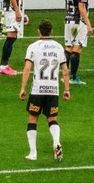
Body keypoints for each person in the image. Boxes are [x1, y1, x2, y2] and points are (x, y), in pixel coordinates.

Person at [20, 19, 70, 162]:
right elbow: (65, 69)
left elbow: (27, 68)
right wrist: (67, 89)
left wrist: (23, 88)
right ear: (51, 31)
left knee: (32, 119)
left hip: (37, 90)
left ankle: (33, 153)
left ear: (38, 31)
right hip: (53, 90)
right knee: (52, 119)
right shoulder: (59, 47)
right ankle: (56, 141)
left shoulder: (33, 47)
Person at [64, 0, 92, 85]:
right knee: (77, 49)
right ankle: (73, 78)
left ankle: (65, 76)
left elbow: (66, 4)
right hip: (78, 21)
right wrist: (88, 24)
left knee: (68, 48)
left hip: (69, 20)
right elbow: (81, 7)